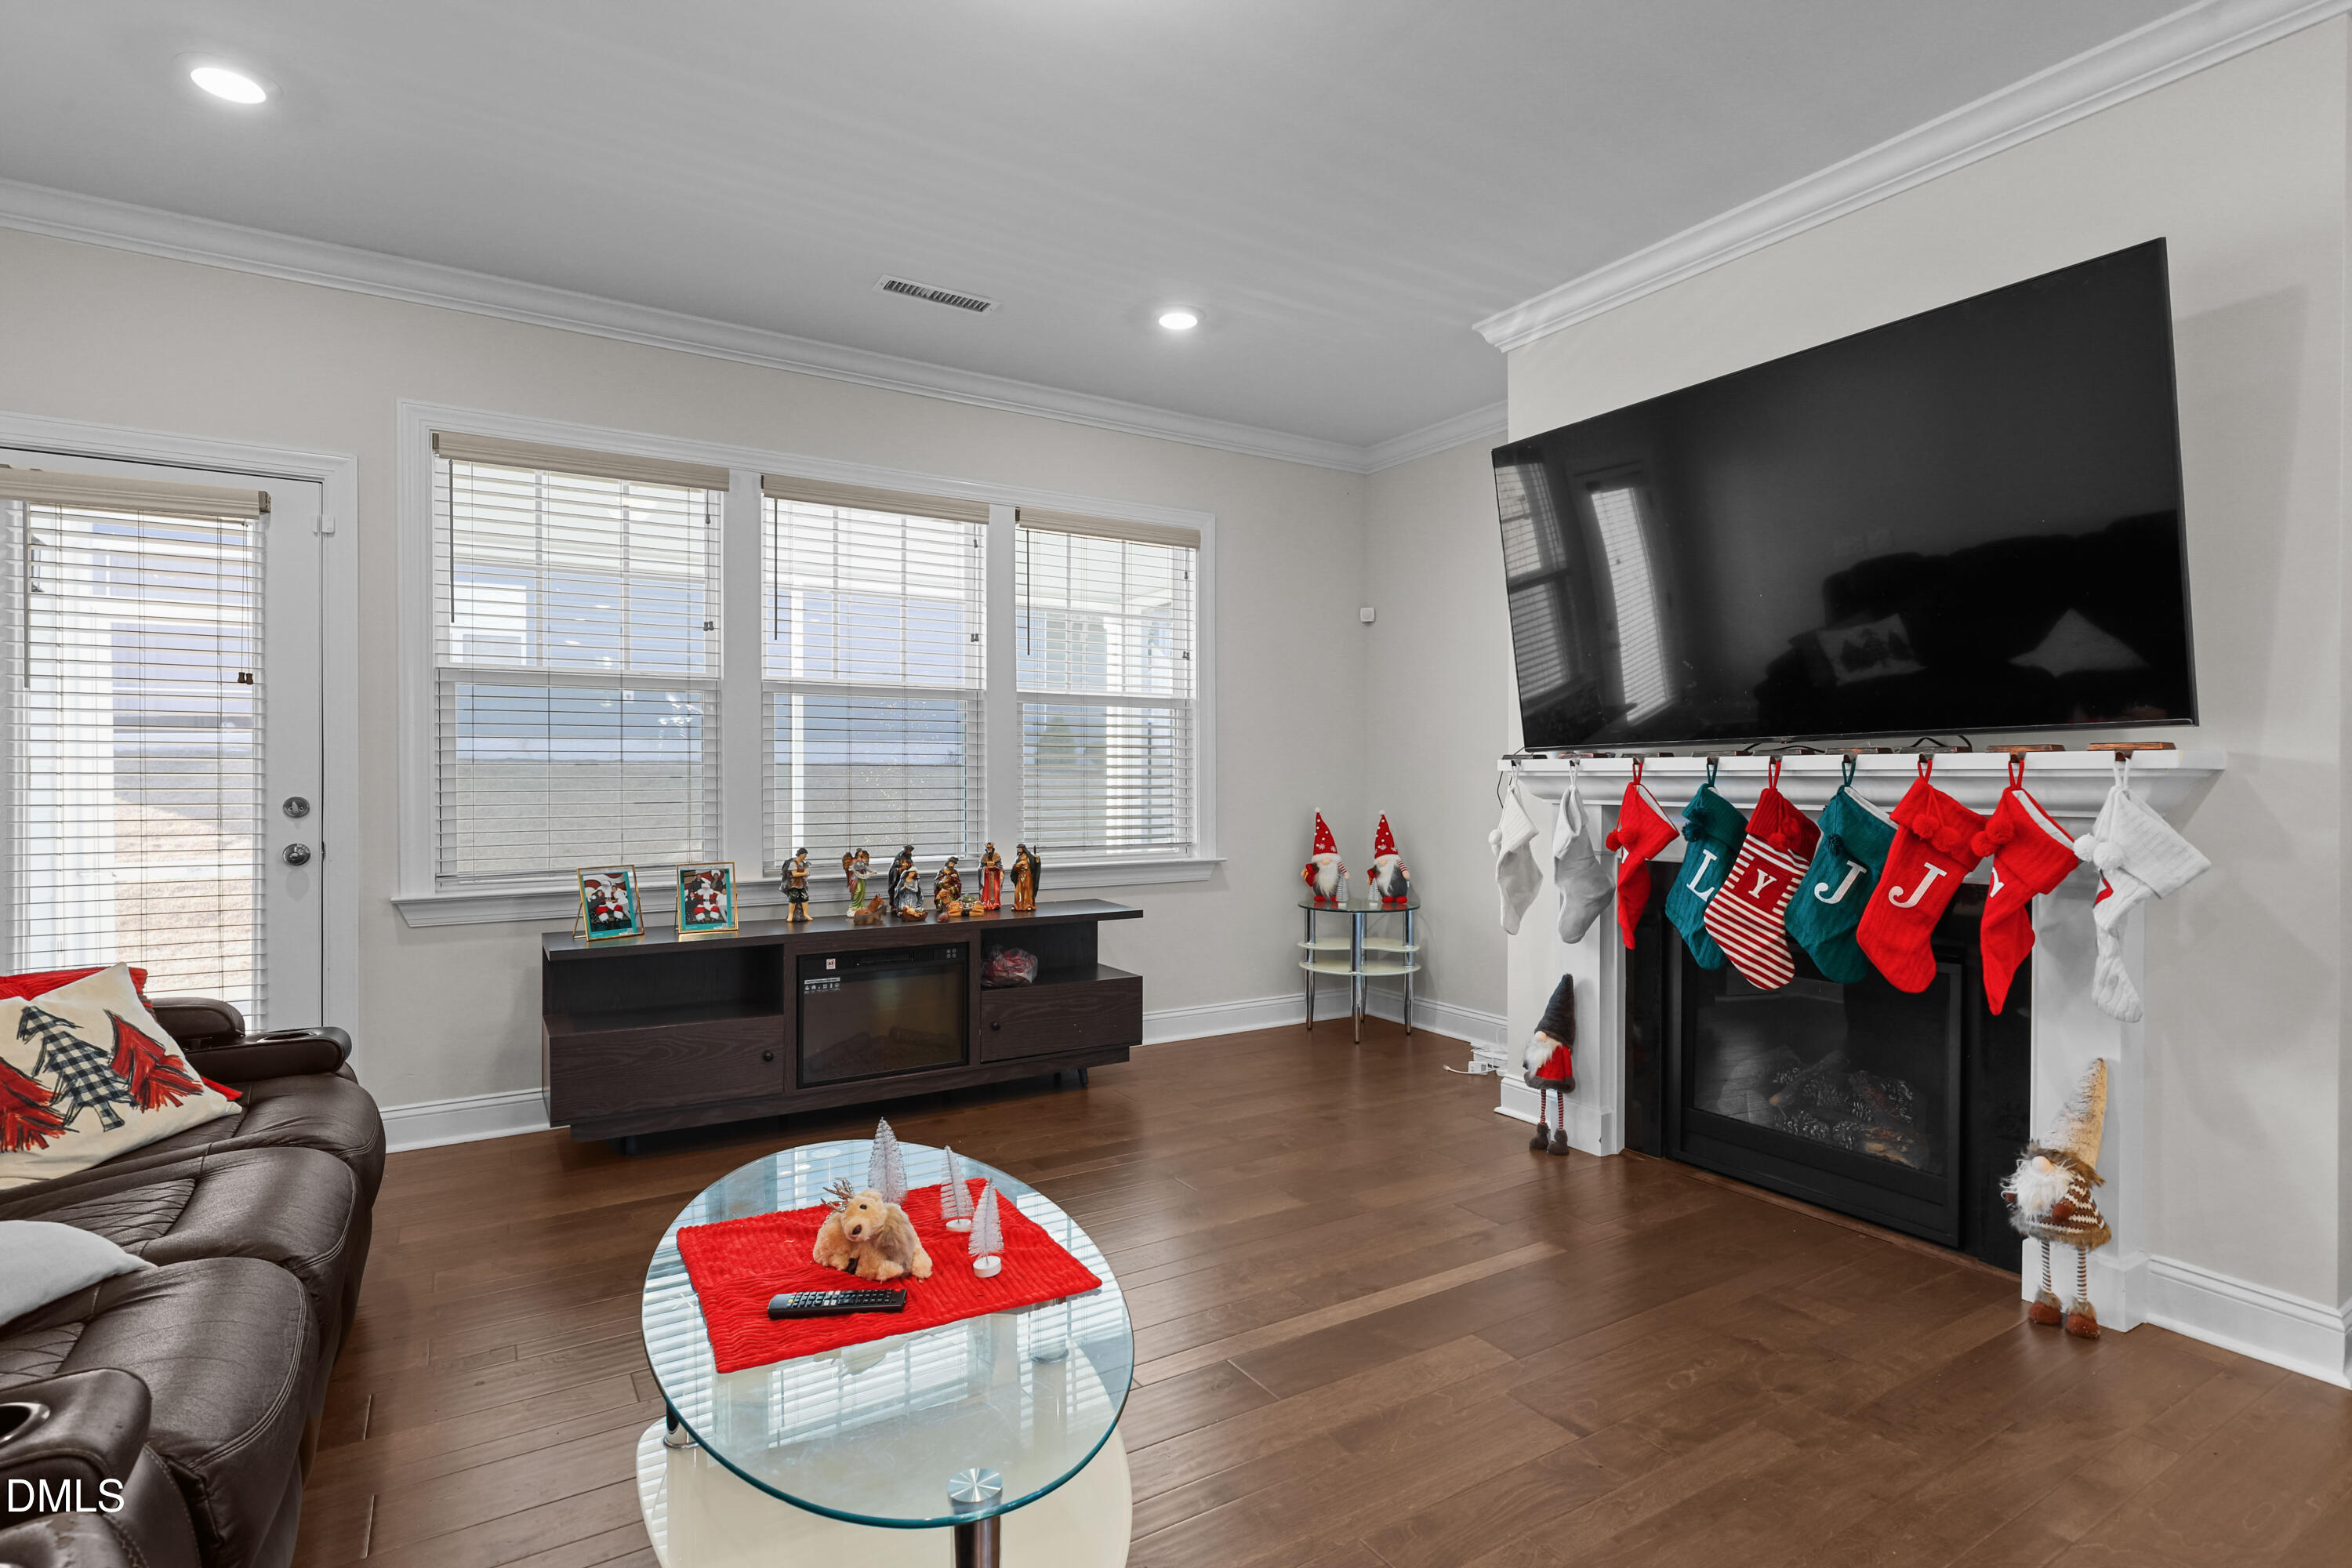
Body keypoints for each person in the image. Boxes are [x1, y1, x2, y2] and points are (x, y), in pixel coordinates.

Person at [783, 849, 811, 922]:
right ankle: (791, 914)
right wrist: (804, 873)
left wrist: (805, 873)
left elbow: (807, 872)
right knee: (793, 897)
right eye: (804, 854)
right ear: (800, 854)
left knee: (805, 897)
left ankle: (805, 913)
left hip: (802, 883)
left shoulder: (803, 864)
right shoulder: (793, 863)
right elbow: (794, 874)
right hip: (794, 883)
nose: (805, 856)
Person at [1011, 843, 1040, 912]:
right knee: (1018, 891)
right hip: (1020, 876)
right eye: (1018, 849)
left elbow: (1034, 864)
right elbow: (1015, 867)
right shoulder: (1018, 858)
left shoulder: (1029, 857)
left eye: (1020, 849)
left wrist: (1037, 860)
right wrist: (1017, 866)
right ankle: (1018, 905)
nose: (1019, 850)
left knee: (1027, 890)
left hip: (1027, 876)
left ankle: (1028, 905)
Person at [978, 842, 1004, 911]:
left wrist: (998, 869)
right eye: (988, 848)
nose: (989, 849)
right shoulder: (984, 856)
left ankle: (996, 904)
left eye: (990, 848)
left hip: (995, 876)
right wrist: (985, 869)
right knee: (986, 891)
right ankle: (986, 903)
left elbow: (1000, 867)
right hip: (987, 878)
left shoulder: (996, 855)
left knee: (996, 889)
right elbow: (981, 868)